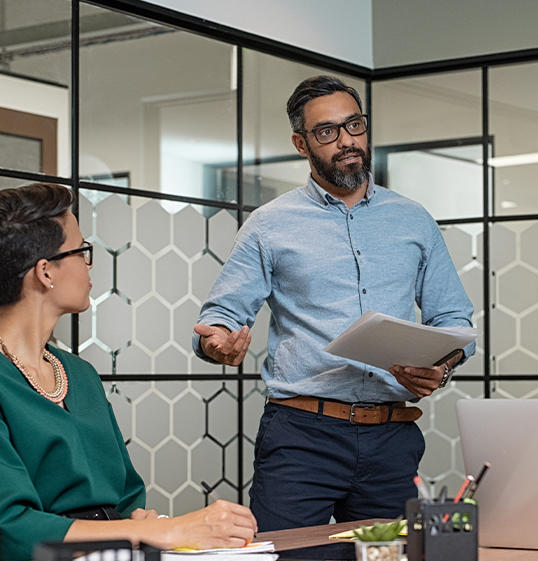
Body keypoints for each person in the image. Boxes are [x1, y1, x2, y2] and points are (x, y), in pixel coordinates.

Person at [192, 75, 475, 532]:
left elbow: (453, 319)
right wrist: (217, 343)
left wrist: (441, 366)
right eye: (327, 132)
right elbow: (220, 318)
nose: (347, 141)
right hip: (302, 436)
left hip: (393, 436)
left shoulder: (414, 220)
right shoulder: (270, 225)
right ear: (301, 145)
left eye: (355, 126)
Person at [0, 183, 257, 561]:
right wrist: (157, 529)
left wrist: (144, 523)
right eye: (82, 251)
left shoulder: (78, 374)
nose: (89, 263)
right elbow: (8, 528)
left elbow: (128, 498)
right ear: (45, 272)